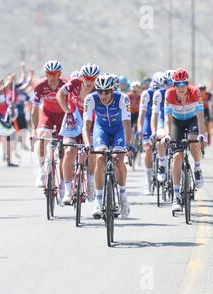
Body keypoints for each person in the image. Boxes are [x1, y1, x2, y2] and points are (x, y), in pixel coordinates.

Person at [82, 74, 132, 219]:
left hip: (119, 130)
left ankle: (123, 197)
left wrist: (127, 145)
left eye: (107, 92)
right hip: (101, 130)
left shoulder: (123, 99)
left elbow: (127, 125)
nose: (103, 95)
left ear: (113, 90)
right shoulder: (90, 99)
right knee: (100, 159)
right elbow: (86, 126)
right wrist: (87, 145)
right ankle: (98, 202)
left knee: (118, 159)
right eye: (100, 91)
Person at [163, 69, 206, 213]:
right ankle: (176, 197)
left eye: (184, 83)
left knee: (194, 142)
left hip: (192, 121)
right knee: (177, 156)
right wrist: (167, 134)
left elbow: (200, 115)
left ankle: (198, 168)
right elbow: (168, 119)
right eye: (177, 84)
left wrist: (202, 134)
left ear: (187, 84)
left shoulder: (195, 92)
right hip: (176, 123)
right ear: (173, 85)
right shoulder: (169, 94)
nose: (181, 87)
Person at [56, 63, 101, 205]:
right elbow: (60, 95)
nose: (89, 82)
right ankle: (68, 191)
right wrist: (67, 111)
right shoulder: (73, 84)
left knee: (92, 153)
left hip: (90, 124)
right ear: (82, 77)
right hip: (73, 122)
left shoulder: (99, 88)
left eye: (93, 79)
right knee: (69, 151)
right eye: (87, 78)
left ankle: (91, 182)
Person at [32, 60, 67, 200]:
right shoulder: (40, 85)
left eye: (55, 73)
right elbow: (34, 110)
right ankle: (41, 171)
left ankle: (64, 183)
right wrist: (34, 130)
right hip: (47, 115)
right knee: (42, 136)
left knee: (64, 151)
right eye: (49, 74)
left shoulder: (65, 85)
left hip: (63, 116)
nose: (52, 77)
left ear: (60, 74)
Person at [137, 72, 162, 195]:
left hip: (161, 119)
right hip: (148, 119)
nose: (159, 90)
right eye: (156, 87)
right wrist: (140, 129)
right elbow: (141, 114)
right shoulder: (147, 94)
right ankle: (148, 181)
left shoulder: (167, 93)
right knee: (147, 148)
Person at [151, 70, 174, 183]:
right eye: (166, 82)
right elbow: (154, 115)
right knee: (160, 138)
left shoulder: (181, 92)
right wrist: (153, 132)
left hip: (176, 120)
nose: (169, 85)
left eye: (171, 82)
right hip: (162, 119)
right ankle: (162, 164)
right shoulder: (158, 94)